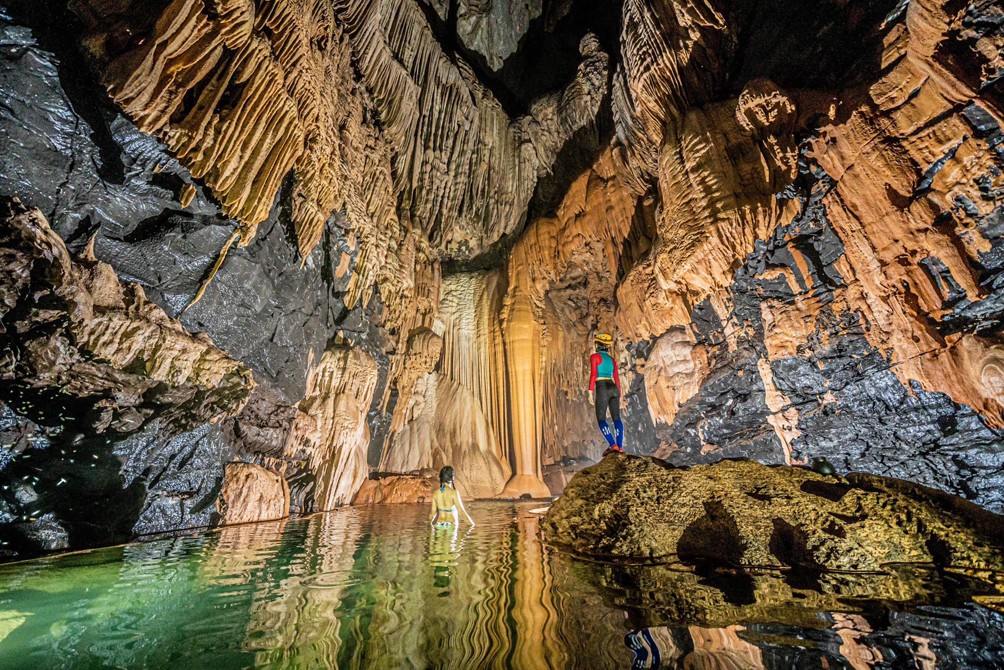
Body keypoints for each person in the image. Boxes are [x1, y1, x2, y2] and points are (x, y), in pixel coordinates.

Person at [589, 333, 624, 456]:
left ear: (598, 344)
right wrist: (619, 392)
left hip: (602, 387)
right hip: (613, 387)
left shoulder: (595, 357)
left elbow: (593, 374)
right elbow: (617, 378)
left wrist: (590, 391)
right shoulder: (612, 360)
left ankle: (612, 444)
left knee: (601, 419)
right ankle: (620, 446)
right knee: (616, 418)